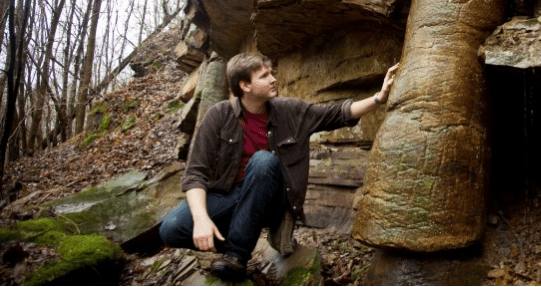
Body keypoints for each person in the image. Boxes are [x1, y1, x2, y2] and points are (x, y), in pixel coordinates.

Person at [159, 52, 399, 281]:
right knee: (170, 229)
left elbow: (335, 113)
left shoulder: (289, 111)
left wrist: (379, 97)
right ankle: (237, 237)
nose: (273, 79)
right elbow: (195, 174)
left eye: (271, 73)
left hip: (274, 199)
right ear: (245, 86)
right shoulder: (219, 116)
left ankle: (237, 256)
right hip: (230, 195)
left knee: (263, 161)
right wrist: (201, 219)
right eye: (264, 76)